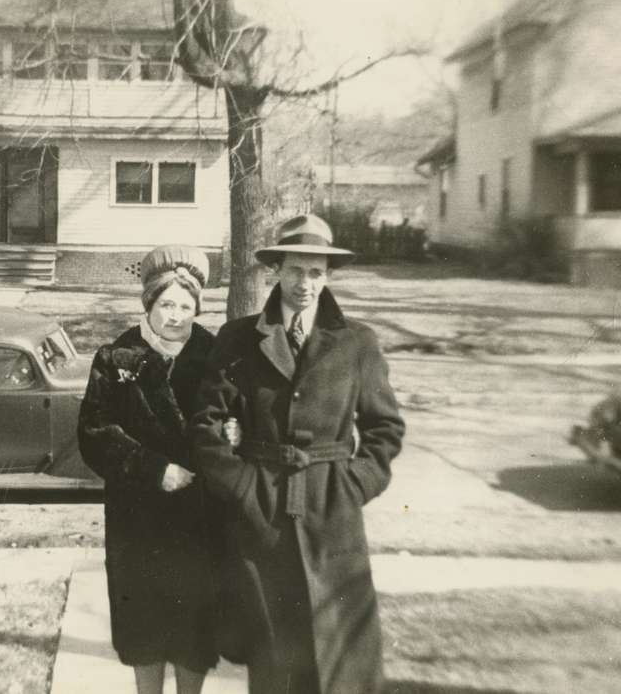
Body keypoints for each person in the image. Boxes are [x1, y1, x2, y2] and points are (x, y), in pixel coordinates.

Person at [189, 214, 406, 693]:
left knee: (339, 653)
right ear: (276, 271)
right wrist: (244, 487)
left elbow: (384, 429)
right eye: (295, 270)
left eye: (316, 272)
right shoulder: (239, 339)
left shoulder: (357, 343)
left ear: (327, 276)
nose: (305, 284)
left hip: (332, 511)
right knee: (273, 650)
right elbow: (205, 425)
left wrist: (352, 486)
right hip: (263, 509)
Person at [77, 245, 220, 694]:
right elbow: (95, 432)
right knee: (146, 627)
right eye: (167, 304)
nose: (176, 316)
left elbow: (233, 418)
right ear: (149, 304)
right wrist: (155, 469)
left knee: (196, 628)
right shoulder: (117, 356)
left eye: (186, 306)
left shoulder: (214, 355)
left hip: (201, 513)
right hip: (139, 516)